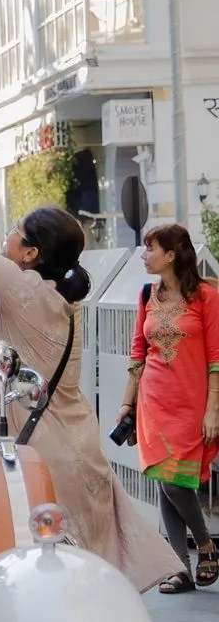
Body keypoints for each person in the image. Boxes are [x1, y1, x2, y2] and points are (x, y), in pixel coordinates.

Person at [0, 119, 180, 592]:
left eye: (15, 233)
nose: (6, 238)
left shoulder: (25, 291)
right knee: (88, 585)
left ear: (30, 254)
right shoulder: (51, 297)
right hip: (76, 451)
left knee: (53, 584)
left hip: (47, 461)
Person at [118, 224, 219, 594]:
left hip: (191, 404)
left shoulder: (206, 296)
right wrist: (127, 403)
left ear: (172, 255)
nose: (145, 256)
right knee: (164, 480)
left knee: (175, 482)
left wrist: (213, 410)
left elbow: (216, 359)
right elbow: (137, 354)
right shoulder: (146, 295)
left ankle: (204, 545)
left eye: (151, 249)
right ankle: (181, 567)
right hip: (153, 403)